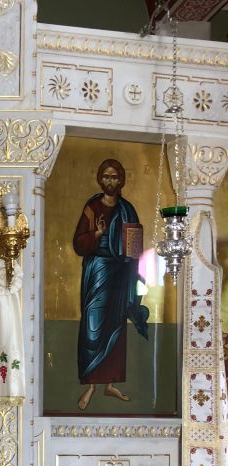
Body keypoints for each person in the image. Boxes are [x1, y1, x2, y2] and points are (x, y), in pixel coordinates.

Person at [73, 159, 148, 411]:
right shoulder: (92, 207)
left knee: (116, 325)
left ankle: (110, 383)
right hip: (97, 270)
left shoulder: (127, 210)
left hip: (120, 274)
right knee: (92, 325)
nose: (110, 181)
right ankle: (91, 385)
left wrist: (134, 269)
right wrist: (96, 234)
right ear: (99, 179)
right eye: (106, 176)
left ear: (121, 180)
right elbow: (78, 243)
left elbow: (135, 248)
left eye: (114, 177)